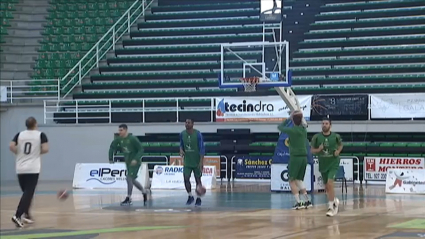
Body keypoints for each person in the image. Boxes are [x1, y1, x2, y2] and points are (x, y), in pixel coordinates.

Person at [10, 117, 49, 228]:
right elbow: (45, 149)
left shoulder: (19, 134)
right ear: (35, 124)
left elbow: (11, 146)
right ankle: (17, 215)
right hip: (32, 168)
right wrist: (35, 152)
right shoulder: (40, 135)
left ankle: (27, 215)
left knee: (26, 192)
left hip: (20, 167)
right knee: (28, 193)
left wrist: (19, 152)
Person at [277, 110, 312, 210]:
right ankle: (307, 200)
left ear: (293, 120)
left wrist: (289, 118)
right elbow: (303, 125)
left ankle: (298, 202)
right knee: (299, 180)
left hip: (295, 157)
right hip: (304, 158)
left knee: (291, 180)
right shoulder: (303, 130)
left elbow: (280, 127)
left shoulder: (292, 130)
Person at [311, 117, 343, 217]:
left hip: (333, 162)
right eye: (323, 123)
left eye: (326, 123)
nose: (324, 125)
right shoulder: (316, 137)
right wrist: (319, 149)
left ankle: (331, 207)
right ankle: (334, 201)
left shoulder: (336, 136)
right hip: (323, 163)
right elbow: (312, 150)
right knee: (327, 187)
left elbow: (341, 145)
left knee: (330, 183)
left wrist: (338, 151)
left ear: (330, 125)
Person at [109, 124, 147, 206]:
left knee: (128, 178)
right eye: (119, 130)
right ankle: (144, 191)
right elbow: (112, 147)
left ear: (126, 130)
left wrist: (136, 159)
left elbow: (141, 149)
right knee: (132, 180)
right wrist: (110, 158)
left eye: (121, 130)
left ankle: (128, 198)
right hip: (128, 162)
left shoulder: (132, 139)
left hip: (135, 163)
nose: (120, 132)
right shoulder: (119, 139)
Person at [180, 119, 205, 206]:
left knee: (198, 180)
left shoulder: (198, 134)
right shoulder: (182, 134)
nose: (187, 124)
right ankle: (190, 196)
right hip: (187, 161)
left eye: (189, 122)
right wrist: (181, 150)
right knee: (186, 178)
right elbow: (181, 144)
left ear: (193, 124)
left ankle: (199, 198)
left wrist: (201, 162)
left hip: (196, 161)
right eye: (186, 122)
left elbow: (202, 148)